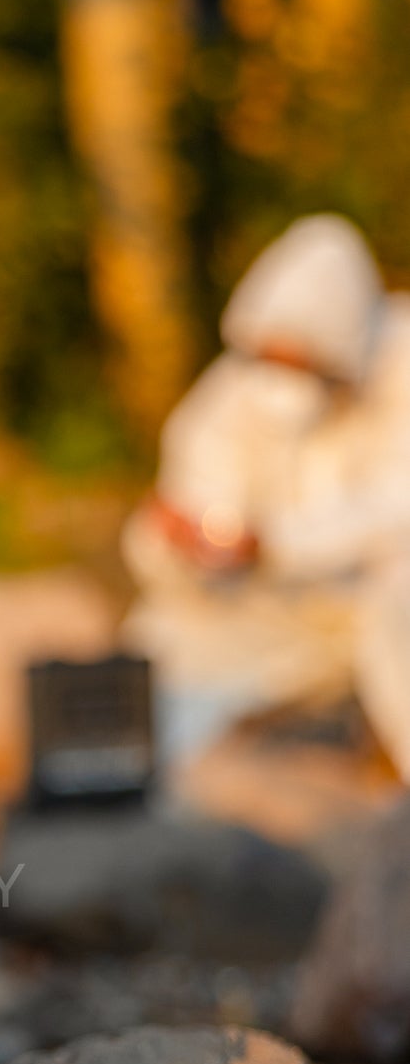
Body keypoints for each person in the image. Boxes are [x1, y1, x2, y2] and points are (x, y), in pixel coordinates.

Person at [125, 214, 410, 776]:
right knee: (156, 643)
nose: (284, 381)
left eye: (303, 364)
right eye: (274, 359)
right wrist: (177, 547)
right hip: (280, 611)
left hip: (378, 600)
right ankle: (153, 808)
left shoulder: (399, 361)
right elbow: (188, 510)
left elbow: (397, 507)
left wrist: (278, 543)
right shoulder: (228, 397)